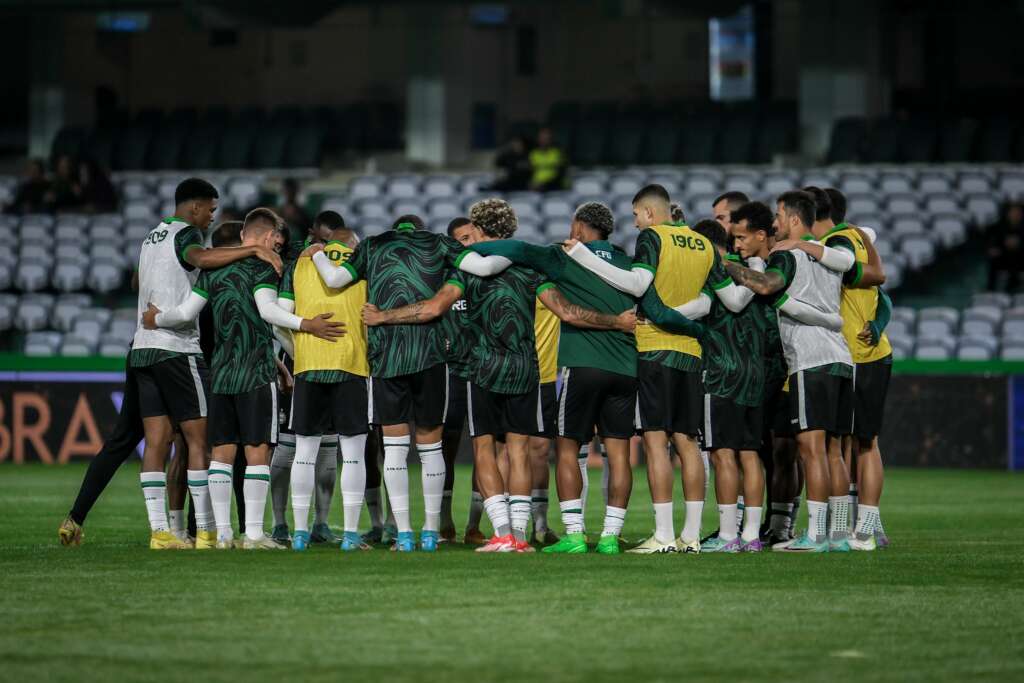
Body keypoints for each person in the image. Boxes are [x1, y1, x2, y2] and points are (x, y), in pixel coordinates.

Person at [361, 199, 640, 552]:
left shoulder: (465, 269)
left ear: (477, 229)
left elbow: (433, 308)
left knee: (484, 449)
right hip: (525, 366)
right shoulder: (531, 271)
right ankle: (520, 536)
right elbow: (567, 313)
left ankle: (503, 533)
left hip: (484, 365)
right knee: (520, 451)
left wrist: (383, 317)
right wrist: (616, 322)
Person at [471, 202, 711, 555]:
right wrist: (697, 330)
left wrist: (473, 247)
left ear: (580, 229)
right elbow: (657, 308)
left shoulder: (565, 256)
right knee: (619, 453)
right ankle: (611, 537)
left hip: (581, 364)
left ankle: (575, 535)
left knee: (568, 448)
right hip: (626, 367)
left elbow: (517, 248)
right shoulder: (630, 263)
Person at [562, 184, 752, 554]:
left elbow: (637, 283)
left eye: (635, 216)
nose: (633, 224)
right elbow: (732, 299)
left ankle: (663, 536)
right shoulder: (702, 243)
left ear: (649, 213)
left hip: (654, 350)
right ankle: (692, 537)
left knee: (655, 443)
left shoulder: (652, 237)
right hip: (691, 354)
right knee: (689, 443)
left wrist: (583, 256)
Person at [143, 208, 343, 549]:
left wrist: (157, 319)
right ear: (267, 238)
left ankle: (222, 535)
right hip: (253, 369)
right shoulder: (261, 266)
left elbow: (186, 313)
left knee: (222, 451)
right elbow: (267, 310)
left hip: (221, 372)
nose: (279, 245)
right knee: (256, 451)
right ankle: (252, 534)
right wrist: (307, 325)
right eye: (277, 239)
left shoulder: (214, 272)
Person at [306, 213, 497, 551]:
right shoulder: (440, 244)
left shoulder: (372, 245)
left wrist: (318, 252)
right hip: (431, 357)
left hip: (387, 357)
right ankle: (430, 531)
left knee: (394, 449)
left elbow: (334, 281)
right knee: (430, 446)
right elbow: (482, 268)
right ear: (421, 229)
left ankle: (405, 533)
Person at [724, 190, 856, 553]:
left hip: (810, 360)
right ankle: (839, 534)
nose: (775, 222)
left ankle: (814, 535)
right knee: (834, 452)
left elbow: (766, 285)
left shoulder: (790, 254)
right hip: (841, 358)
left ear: (794, 220)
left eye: (779, 216)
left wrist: (724, 265)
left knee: (810, 450)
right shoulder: (830, 255)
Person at [275, 214, 369, 551]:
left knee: (304, 452)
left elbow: (278, 320)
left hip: (309, 367)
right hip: (352, 365)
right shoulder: (362, 262)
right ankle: (351, 535)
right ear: (351, 243)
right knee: (353, 454)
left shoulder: (299, 265)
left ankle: (299, 534)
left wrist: (299, 353)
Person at [821, 188, 894, 551]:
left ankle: (854, 530)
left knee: (848, 442)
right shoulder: (858, 237)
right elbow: (884, 296)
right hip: (870, 352)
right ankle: (866, 527)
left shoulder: (838, 244)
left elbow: (868, 279)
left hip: (855, 354)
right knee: (861, 442)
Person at [986, 202, 1024, 293]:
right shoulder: (1000, 226)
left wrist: (1019, 244)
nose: (1015, 214)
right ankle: (990, 289)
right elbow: (993, 242)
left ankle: (1013, 285)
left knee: (1014, 254)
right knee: (995, 258)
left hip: (1021, 257)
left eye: (1018, 212)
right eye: (1013, 212)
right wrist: (994, 249)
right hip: (1004, 256)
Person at [529, 127, 566, 192]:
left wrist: (544, 184)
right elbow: (530, 171)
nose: (544, 140)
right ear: (538, 139)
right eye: (542, 138)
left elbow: (560, 173)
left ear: (551, 139)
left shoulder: (557, 152)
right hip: (536, 187)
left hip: (554, 186)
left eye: (547, 138)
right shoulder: (533, 153)